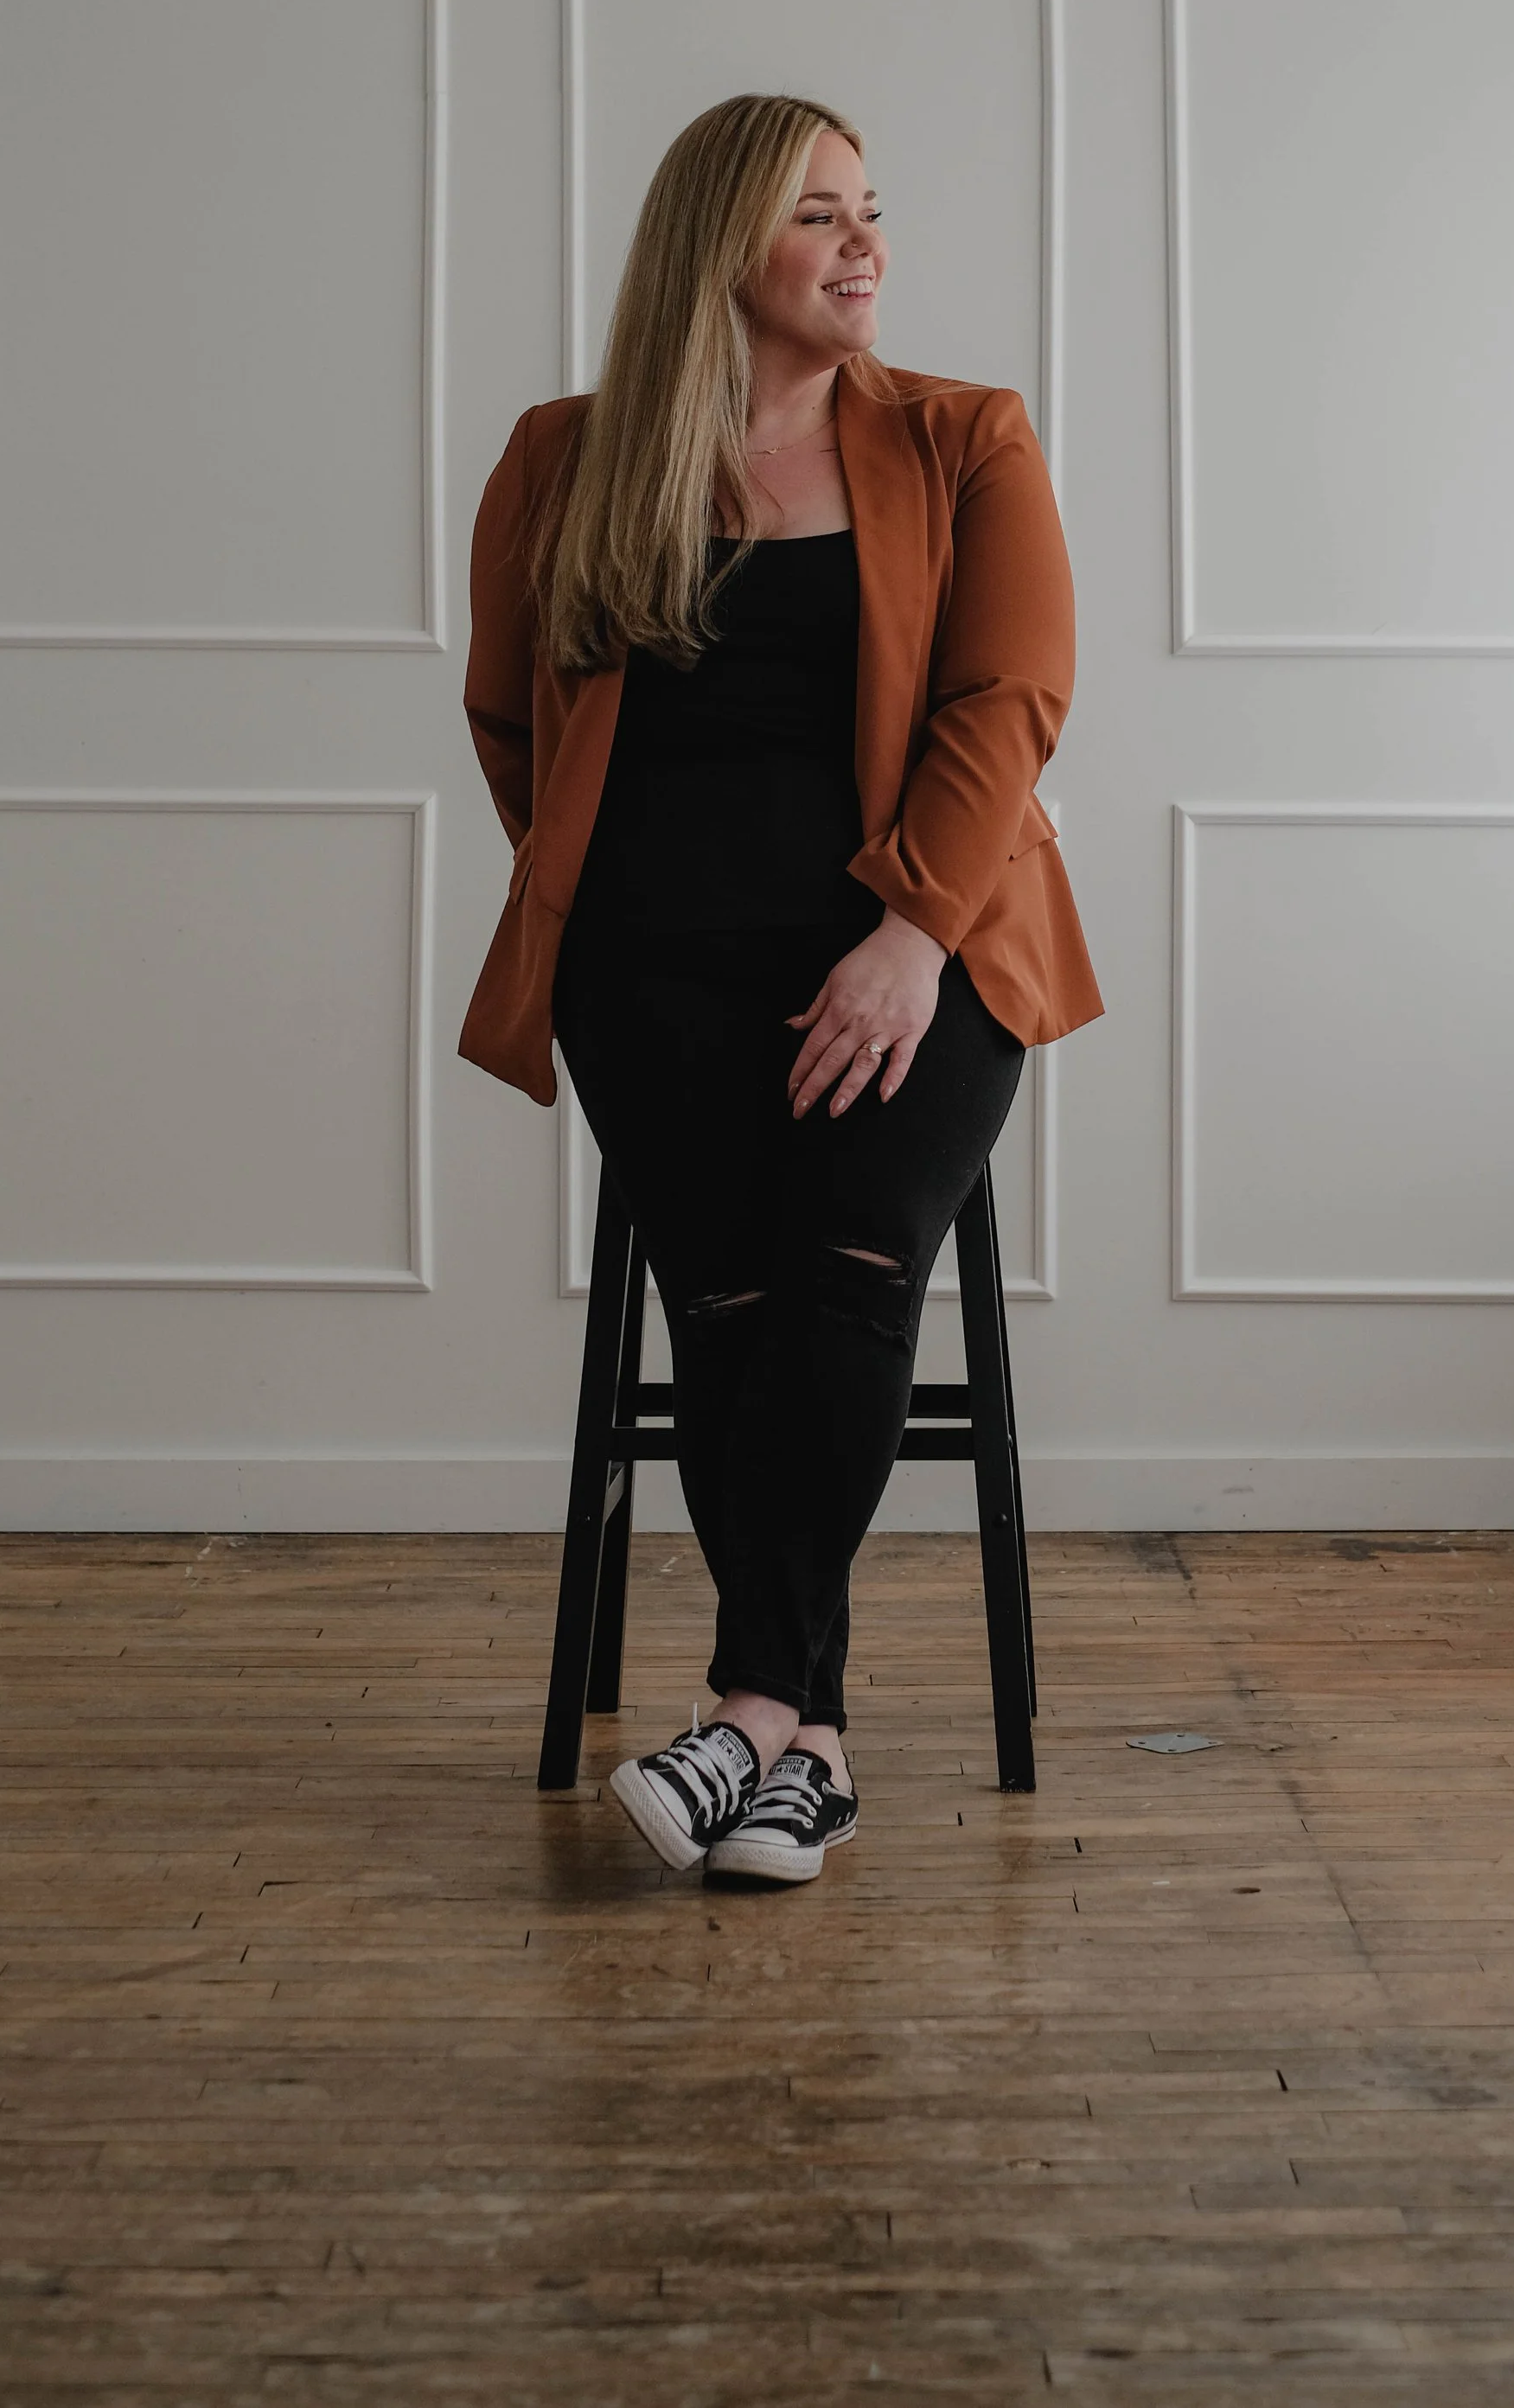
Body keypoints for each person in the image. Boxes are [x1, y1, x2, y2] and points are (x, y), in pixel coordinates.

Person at [458, 93, 1103, 1886]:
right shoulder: (564, 457)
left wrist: (905, 934)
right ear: (718, 250)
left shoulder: (965, 439)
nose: (865, 246)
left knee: (842, 1266)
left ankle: (747, 1712)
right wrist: (606, 909)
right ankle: (805, 1758)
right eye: (821, 216)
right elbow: (514, 719)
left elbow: (1008, 703)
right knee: (730, 1301)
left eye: (869, 211)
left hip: (924, 952)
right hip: (651, 970)